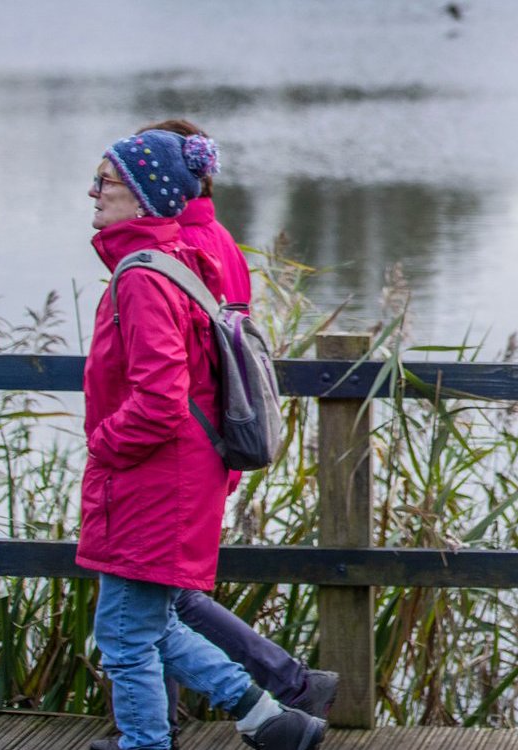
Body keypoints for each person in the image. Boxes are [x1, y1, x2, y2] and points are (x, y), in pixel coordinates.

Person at [79, 128, 324, 749]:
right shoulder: (178, 261)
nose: (92, 192)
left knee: (126, 636)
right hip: (179, 475)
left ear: (140, 195)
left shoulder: (140, 277)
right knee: (150, 625)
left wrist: (103, 443)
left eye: (105, 181)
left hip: (151, 480)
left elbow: (160, 401)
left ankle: (150, 744)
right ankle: (271, 719)